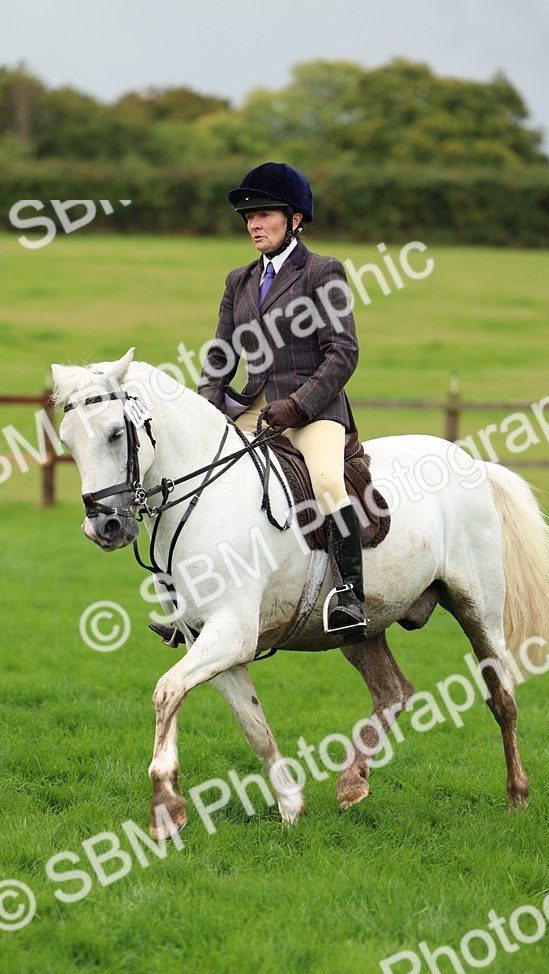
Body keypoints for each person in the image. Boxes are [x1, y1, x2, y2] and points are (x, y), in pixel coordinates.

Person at [198, 161, 366, 636]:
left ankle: (350, 595)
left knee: (329, 481)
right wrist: (206, 398)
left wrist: (300, 404)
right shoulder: (238, 281)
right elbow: (221, 353)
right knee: (206, 475)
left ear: (294, 219)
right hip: (257, 407)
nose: (253, 224)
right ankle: (192, 598)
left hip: (314, 409)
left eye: (264, 214)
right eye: (248, 217)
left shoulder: (322, 272)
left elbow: (344, 352)